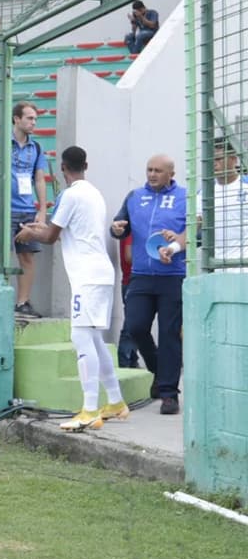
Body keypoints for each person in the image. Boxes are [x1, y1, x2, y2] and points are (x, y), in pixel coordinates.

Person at [15, 146, 127, 431]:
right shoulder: (94, 193)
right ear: (85, 166)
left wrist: (30, 232)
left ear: (63, 168)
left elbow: (51, 236)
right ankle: (115, 401)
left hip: (87, 276)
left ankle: (89, 409)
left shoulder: (70, 195)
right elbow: (64, 232)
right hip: (101, 272)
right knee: (94, 338)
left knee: (81, 337)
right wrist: (38, 229)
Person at [110, 154, 186, 415]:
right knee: (135, 327)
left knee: (169, 334)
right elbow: (120, 225)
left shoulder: (184, 197)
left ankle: (168, 394)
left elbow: (195, 233)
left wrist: (176, 240)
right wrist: (117, 229)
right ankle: (159, 371)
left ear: (171, 174)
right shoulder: (135, 196)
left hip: (172, 275)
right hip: (141, 275)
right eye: (149, 169)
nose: (152, 174)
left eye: (158, 171)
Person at [0, 101, 48, 317]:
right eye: (29, 118)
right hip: (1, 207)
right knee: (2, 256)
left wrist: (42, 210)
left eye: (35, 119)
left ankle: (23, 302)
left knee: (27, 256)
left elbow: (39, 179)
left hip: (26, 208)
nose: (33, 122)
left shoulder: (36, 148)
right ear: (17, 119)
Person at [198, 138, 248, 272]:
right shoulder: (203, 193)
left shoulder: (246, 186)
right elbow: (194, 228)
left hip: (244, 269)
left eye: (218, 159)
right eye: (210, 160)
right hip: (216, 269)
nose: (214, 164)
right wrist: (174, 246)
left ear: (234, 159)